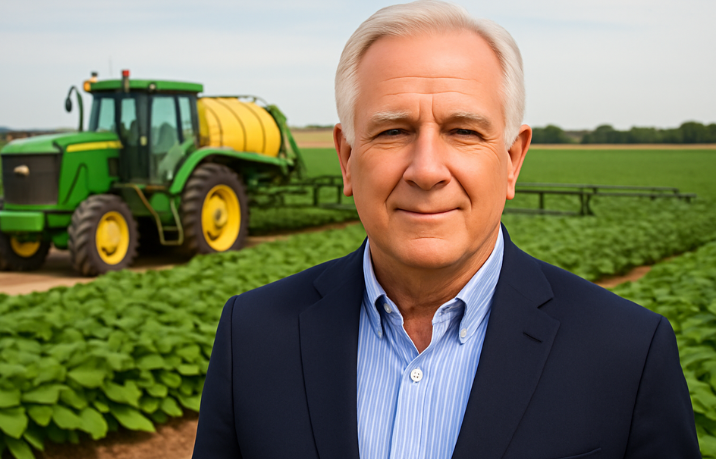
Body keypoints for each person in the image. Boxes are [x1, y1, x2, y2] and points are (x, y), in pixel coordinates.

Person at [192, 1, 699, 458]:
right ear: (347, 159)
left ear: (513, 160)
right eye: (393, 131)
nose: (427, 169)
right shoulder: (251, 334)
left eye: (463, 131)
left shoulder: (629, 350)